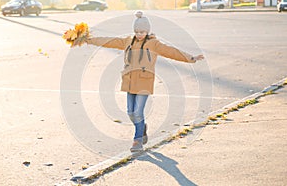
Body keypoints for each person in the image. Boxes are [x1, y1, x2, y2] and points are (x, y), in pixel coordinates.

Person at [84, 11, 204, 152]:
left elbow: (171, 51)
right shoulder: (128, 41)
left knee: (138, 112)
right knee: (130, 112)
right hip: (129, 81)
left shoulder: (154, 44)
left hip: (144, 82)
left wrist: (191, 58)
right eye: (137, 31)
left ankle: (137, 141)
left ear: (147, 31)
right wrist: (88, 40)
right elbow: (109, 41)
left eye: (142, 31)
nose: (139, 34)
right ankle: (142, 128)